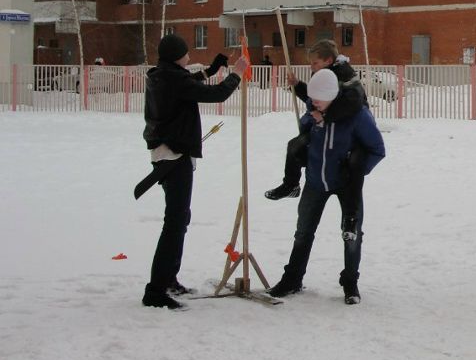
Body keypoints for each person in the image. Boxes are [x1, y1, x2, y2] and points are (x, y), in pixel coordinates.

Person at [141, 35, 246, 310]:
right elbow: (216, 94)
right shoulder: (173, 79)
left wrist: (211, 71)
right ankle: (155, 290)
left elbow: (186, 85)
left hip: (169, 155)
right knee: (174, 222)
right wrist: (235, 74)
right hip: (174, 157)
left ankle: (168, 279)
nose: (189, 58)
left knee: (179, 219)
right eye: (186, 54)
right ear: (176, 56)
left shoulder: (163, 75)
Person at [268, 68, 386, 304]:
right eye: (311, 98)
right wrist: (308, 127)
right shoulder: (315, 110)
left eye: (319, 99)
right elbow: (307, 135)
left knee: (351, 234)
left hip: (346, 184)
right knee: (303, 232)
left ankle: (350, 284)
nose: (313, 102)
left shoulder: (357, 115)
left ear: (332, 96)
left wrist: (355, 169)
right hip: (315, 181)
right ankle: (292, 279)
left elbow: (377, 149)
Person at [264, 40, 368, 200]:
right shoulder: (321, 74)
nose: (311, 67)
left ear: (328, 60)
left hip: (345, 128)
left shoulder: (344, 73)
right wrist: (298, 85)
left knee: (310, 152)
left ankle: (348, 207)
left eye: (315, 63)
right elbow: (314, 98)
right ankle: (291, 185)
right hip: (323, 125)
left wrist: (326, 115)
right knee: (295, 147)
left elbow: (354, 102)